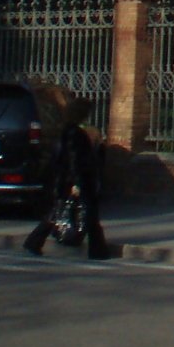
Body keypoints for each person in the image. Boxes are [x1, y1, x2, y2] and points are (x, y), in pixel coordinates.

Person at [23, 98, 110, 260]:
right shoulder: (75, 134)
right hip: (77, 180)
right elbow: (74, 159)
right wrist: (77, 183)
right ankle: (98, 251)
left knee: (59, 212)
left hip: (67, 180)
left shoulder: (68, 131)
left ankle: (34, 241)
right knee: (88, 214)